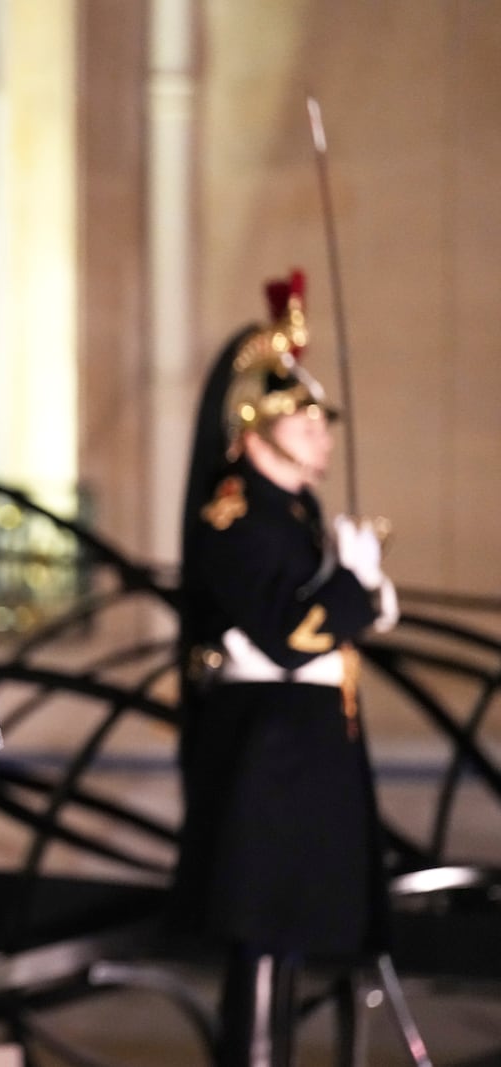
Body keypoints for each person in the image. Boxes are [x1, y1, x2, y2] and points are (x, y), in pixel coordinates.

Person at [173, 271, 399, 1066]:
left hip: (302, 760)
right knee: (265, 947)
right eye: (305, 424)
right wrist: (354, 591)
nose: (323, 436)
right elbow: (287, 631)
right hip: (267, 763)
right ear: (257, 428)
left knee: (292, 941)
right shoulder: (236, 513)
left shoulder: (293, 515)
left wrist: (354, 591)